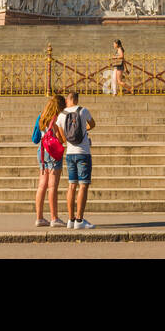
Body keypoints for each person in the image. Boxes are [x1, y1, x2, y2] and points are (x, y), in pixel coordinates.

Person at [56, 92, 95, 229]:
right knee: (83, 185)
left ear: (68, 100)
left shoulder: (61, 115)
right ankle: (80, 220)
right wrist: (84, 129)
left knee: (71, 185)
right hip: (83, 152)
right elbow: (93, 124)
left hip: (70, 153)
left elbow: (63, 138)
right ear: (77, 100)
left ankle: (70, 219)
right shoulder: (83, 111)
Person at [31, 94, 65, 226]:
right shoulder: (57, 118)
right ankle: (54, 218)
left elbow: (35, 138)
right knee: (52, 187)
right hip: (54, 152)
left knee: (41, 186)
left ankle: (39, 217)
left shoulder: (41, 117)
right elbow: (60, 138)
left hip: (42, 151)